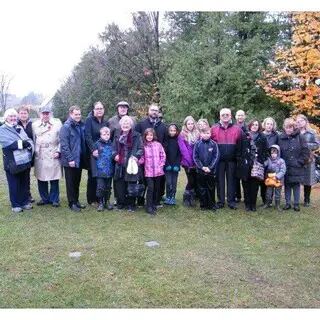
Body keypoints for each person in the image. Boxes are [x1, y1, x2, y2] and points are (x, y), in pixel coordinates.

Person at [0, 108, 34, 213]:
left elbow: (28, 140)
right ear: (6, 118)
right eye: (11, 116)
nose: (13, 118)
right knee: (14, 184)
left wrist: (28, 144)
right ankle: (15, 204)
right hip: (12, 161)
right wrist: (22, 144)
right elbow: (7, 143)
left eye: (14, 116)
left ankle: (24, 202)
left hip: (24, 160)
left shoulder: (19, 127)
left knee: (24, 182)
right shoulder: (3, 129)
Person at [135, 104, 167, 206]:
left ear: (158, 113)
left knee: (157, 184)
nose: (154, 112)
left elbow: (165, 142)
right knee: (143, 182)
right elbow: (136, 139)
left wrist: (161, 160)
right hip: (144, 158)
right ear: (148, 111)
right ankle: (140, 201)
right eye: (152, 110)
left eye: (156, 110)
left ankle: (155, 201)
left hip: (157, 161)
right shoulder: (141, 124)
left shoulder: (162, 126)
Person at [211, 108, 242, 210]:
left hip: (232, 160)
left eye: (227, 114)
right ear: (220, 116)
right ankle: (220, 202)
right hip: (219, 160)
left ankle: (231, 201)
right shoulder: (214, 129)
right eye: (223, 115)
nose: (225, 116)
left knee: (231, 181)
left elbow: (239, 145)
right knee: (219, 181)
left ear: (230, 116)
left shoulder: (237, 129)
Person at [32, 105, 62, 207]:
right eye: (43, 113)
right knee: (41, 177)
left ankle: (54, 199)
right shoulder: (35, 125)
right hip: (40, 154)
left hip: (53, 152)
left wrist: (58, 151)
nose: (45, 115)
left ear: (50, 114)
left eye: (47, 113)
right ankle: (44, 198)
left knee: (54, 177)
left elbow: (61, 140)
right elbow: (33, 139)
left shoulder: (57, 124)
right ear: (40, 114)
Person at [112, 115, 143, 212]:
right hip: (120, 164)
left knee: (132, 185)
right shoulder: (117, 134)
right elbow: (113, 148)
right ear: (120, 124)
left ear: (131, 125)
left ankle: (131, 204)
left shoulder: (137, 135)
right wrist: (115, 155)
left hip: (131, 165)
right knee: (120, 185)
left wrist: (136, 156)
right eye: (124, 123)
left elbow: (141, 149)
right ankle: (121, 203)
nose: (125, 124)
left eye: (127, 123)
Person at [278, 118, 310, 212]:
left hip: (297, 166)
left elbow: (306, 151)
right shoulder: (281, 137)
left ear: (294, 127)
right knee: (287, 185)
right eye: (287, 127)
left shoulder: (300, 137)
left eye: (290, 127)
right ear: (284, 128)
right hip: (285, 166)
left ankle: (296, 204)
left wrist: (300, 162)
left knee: (296, 186)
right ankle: (288, 203)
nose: (289, 129)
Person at [236, 119, 268, 212]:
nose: (254, 126)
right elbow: (238, 150)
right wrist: (241, 160)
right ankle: (247, 204)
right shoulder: (244, 136)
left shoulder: (262, 137)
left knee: (255, 185)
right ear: (250, 126)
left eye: (256, 125)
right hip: (245, 165)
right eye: (253, 124)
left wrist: (262, 162)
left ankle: (253, 204)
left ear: (259, 126)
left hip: (257, 165)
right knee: (246, 185)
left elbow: (266, 151)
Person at [60, 105, 88, 212]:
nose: (78, 116)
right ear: (70, 114)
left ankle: (76, 201)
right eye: (75, 114)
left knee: (77, 181)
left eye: (79, 114)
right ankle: (71, 203)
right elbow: (64, 145)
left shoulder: (80, 125)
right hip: (70, 160)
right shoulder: (66, 127)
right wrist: (70, 159)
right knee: (70, 183)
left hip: (79, 158)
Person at [85, 101, 109, 207]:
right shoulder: (89, 120)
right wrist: (93, 149)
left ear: (103, 110)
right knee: (93, 175)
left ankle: (101, 199)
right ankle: (92, 199)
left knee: (102, 175)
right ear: (93, 110)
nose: (99, 110)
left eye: (101, 108)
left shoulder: (105, 122)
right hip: (93, 152)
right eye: (97, 108)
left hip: (103, 153)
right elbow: (88, 136)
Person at [139, 128, 166, 216]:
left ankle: (154, 203)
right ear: (145, 136)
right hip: (148, 172)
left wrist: (161, 164)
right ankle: (149, 206)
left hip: (158, 171)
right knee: (150, 188)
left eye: (151, 135)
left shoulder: (158, 145)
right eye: (147, 135)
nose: (149, 137)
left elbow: (163, 155)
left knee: (156, 188)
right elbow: (142, 158)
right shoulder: (144, 146)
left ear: (153, 136)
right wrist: (137, 161)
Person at [193, 128, 220, 211]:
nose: (206, 135)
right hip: (200, 171)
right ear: (200, 134)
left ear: (210, 134)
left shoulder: (214, 144)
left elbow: (216, 156)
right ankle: (203, 205)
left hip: (211, 171)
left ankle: (211, 205)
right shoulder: (197, 144)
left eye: (208, 133)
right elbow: (195, 157)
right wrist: (202, 167)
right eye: (204, 133)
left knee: (211, 188)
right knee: (202, 188)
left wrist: (210, 167)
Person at [296, 114, 320, 207]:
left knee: (307, 180)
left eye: (301, 121)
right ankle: (296, 199)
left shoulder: (311, 132)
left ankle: (307, 199)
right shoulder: (295, 132)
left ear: (305, 121)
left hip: (308, 159)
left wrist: (306, 145)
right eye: (298, 121)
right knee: (296, 178)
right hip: (297, 158)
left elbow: (317, 145)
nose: (299, 123)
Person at [178, 115, 200, 207]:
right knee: (190, 180)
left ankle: (193, 197)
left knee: (195, 180)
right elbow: (183, 150)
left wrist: (197, 161)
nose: (190, 125)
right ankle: (186, 198)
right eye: (188, 124)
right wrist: (190, 162)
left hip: (197, 161)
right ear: (185, 125)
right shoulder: (182, 135)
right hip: (187, 162)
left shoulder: (197, 134)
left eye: (192, 124)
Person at [93, 127, 114, 212]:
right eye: (104, 134)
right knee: (100, 187)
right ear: (101, 135)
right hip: (100, 170)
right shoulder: (96, 144)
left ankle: (107, 201)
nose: (106, 136)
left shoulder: (112, 144)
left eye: (108, 134)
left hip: (109, 170)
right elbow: (93, 158)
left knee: (108, 187)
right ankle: (100, 202)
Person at [260, 117, 279, 205]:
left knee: (270, 179)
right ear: (264, 124)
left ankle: (269, 201)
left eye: (271, 124)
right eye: (268, 124)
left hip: (272, 161)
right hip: (262, 160)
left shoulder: (276, 135)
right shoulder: (260, 134)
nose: (269, 126)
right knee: (262, 180)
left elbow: (278, 148)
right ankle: (264, 199)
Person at [18, 105, 35, 203]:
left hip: (28, 154)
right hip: (18, 153)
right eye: (21, 113)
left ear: (28, 114)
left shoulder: (31, 125)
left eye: (25, 113)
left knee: (26, 175)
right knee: (18, 174)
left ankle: (28, 195)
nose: (23, 115)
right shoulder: (15, 123)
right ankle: (20, 194)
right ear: (18, 114)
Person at [262, 145, 286, 212]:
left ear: (278, 153)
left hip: (278, 180)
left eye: (275, 153)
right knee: (268, 192)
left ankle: (277, 205)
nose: (273, 155)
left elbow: (283, 170)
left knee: (278, 193)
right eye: (272, 153)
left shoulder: (281, 161)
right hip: (270, 180)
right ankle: (267, 203)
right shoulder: (268, 160)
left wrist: (277, 176)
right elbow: (263, 165)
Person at [163, 123, 181, 205]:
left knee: (174, 182)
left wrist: (177, 165)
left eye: (174, 130)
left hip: (175, 166)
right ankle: (168, 196)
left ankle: (173, 196)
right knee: (168, 182)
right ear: (168, 131)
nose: (172, 132)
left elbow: (179, 154)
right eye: (171, 130)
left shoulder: (178, 140)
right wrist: (167, 164)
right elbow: (163, 154)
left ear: (177, 131)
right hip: (167, 166)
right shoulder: (165, 140)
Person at [234, 110, 248, 203]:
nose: (240, 117)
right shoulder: (233, 127)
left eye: (242, 115)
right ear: (235, 116)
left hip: (245, 155)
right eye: (238, 115)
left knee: (245, 177)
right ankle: (237, 196)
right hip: (234, 154)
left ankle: (246, 196)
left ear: (244, 117)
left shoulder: (248, 127)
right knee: (235, 177)